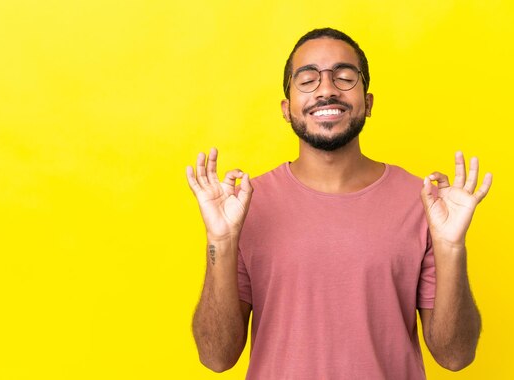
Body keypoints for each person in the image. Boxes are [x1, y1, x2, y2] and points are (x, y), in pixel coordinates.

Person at [186, 27, 492, 379]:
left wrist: (452, 247)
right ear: (287, 109)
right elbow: (215, 357)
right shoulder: (244, 205)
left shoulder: (424, 202)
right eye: (307, 79)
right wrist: (221, 243)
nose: (327, 89)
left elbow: (455, 356)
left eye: (345, 77)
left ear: (369, 102)